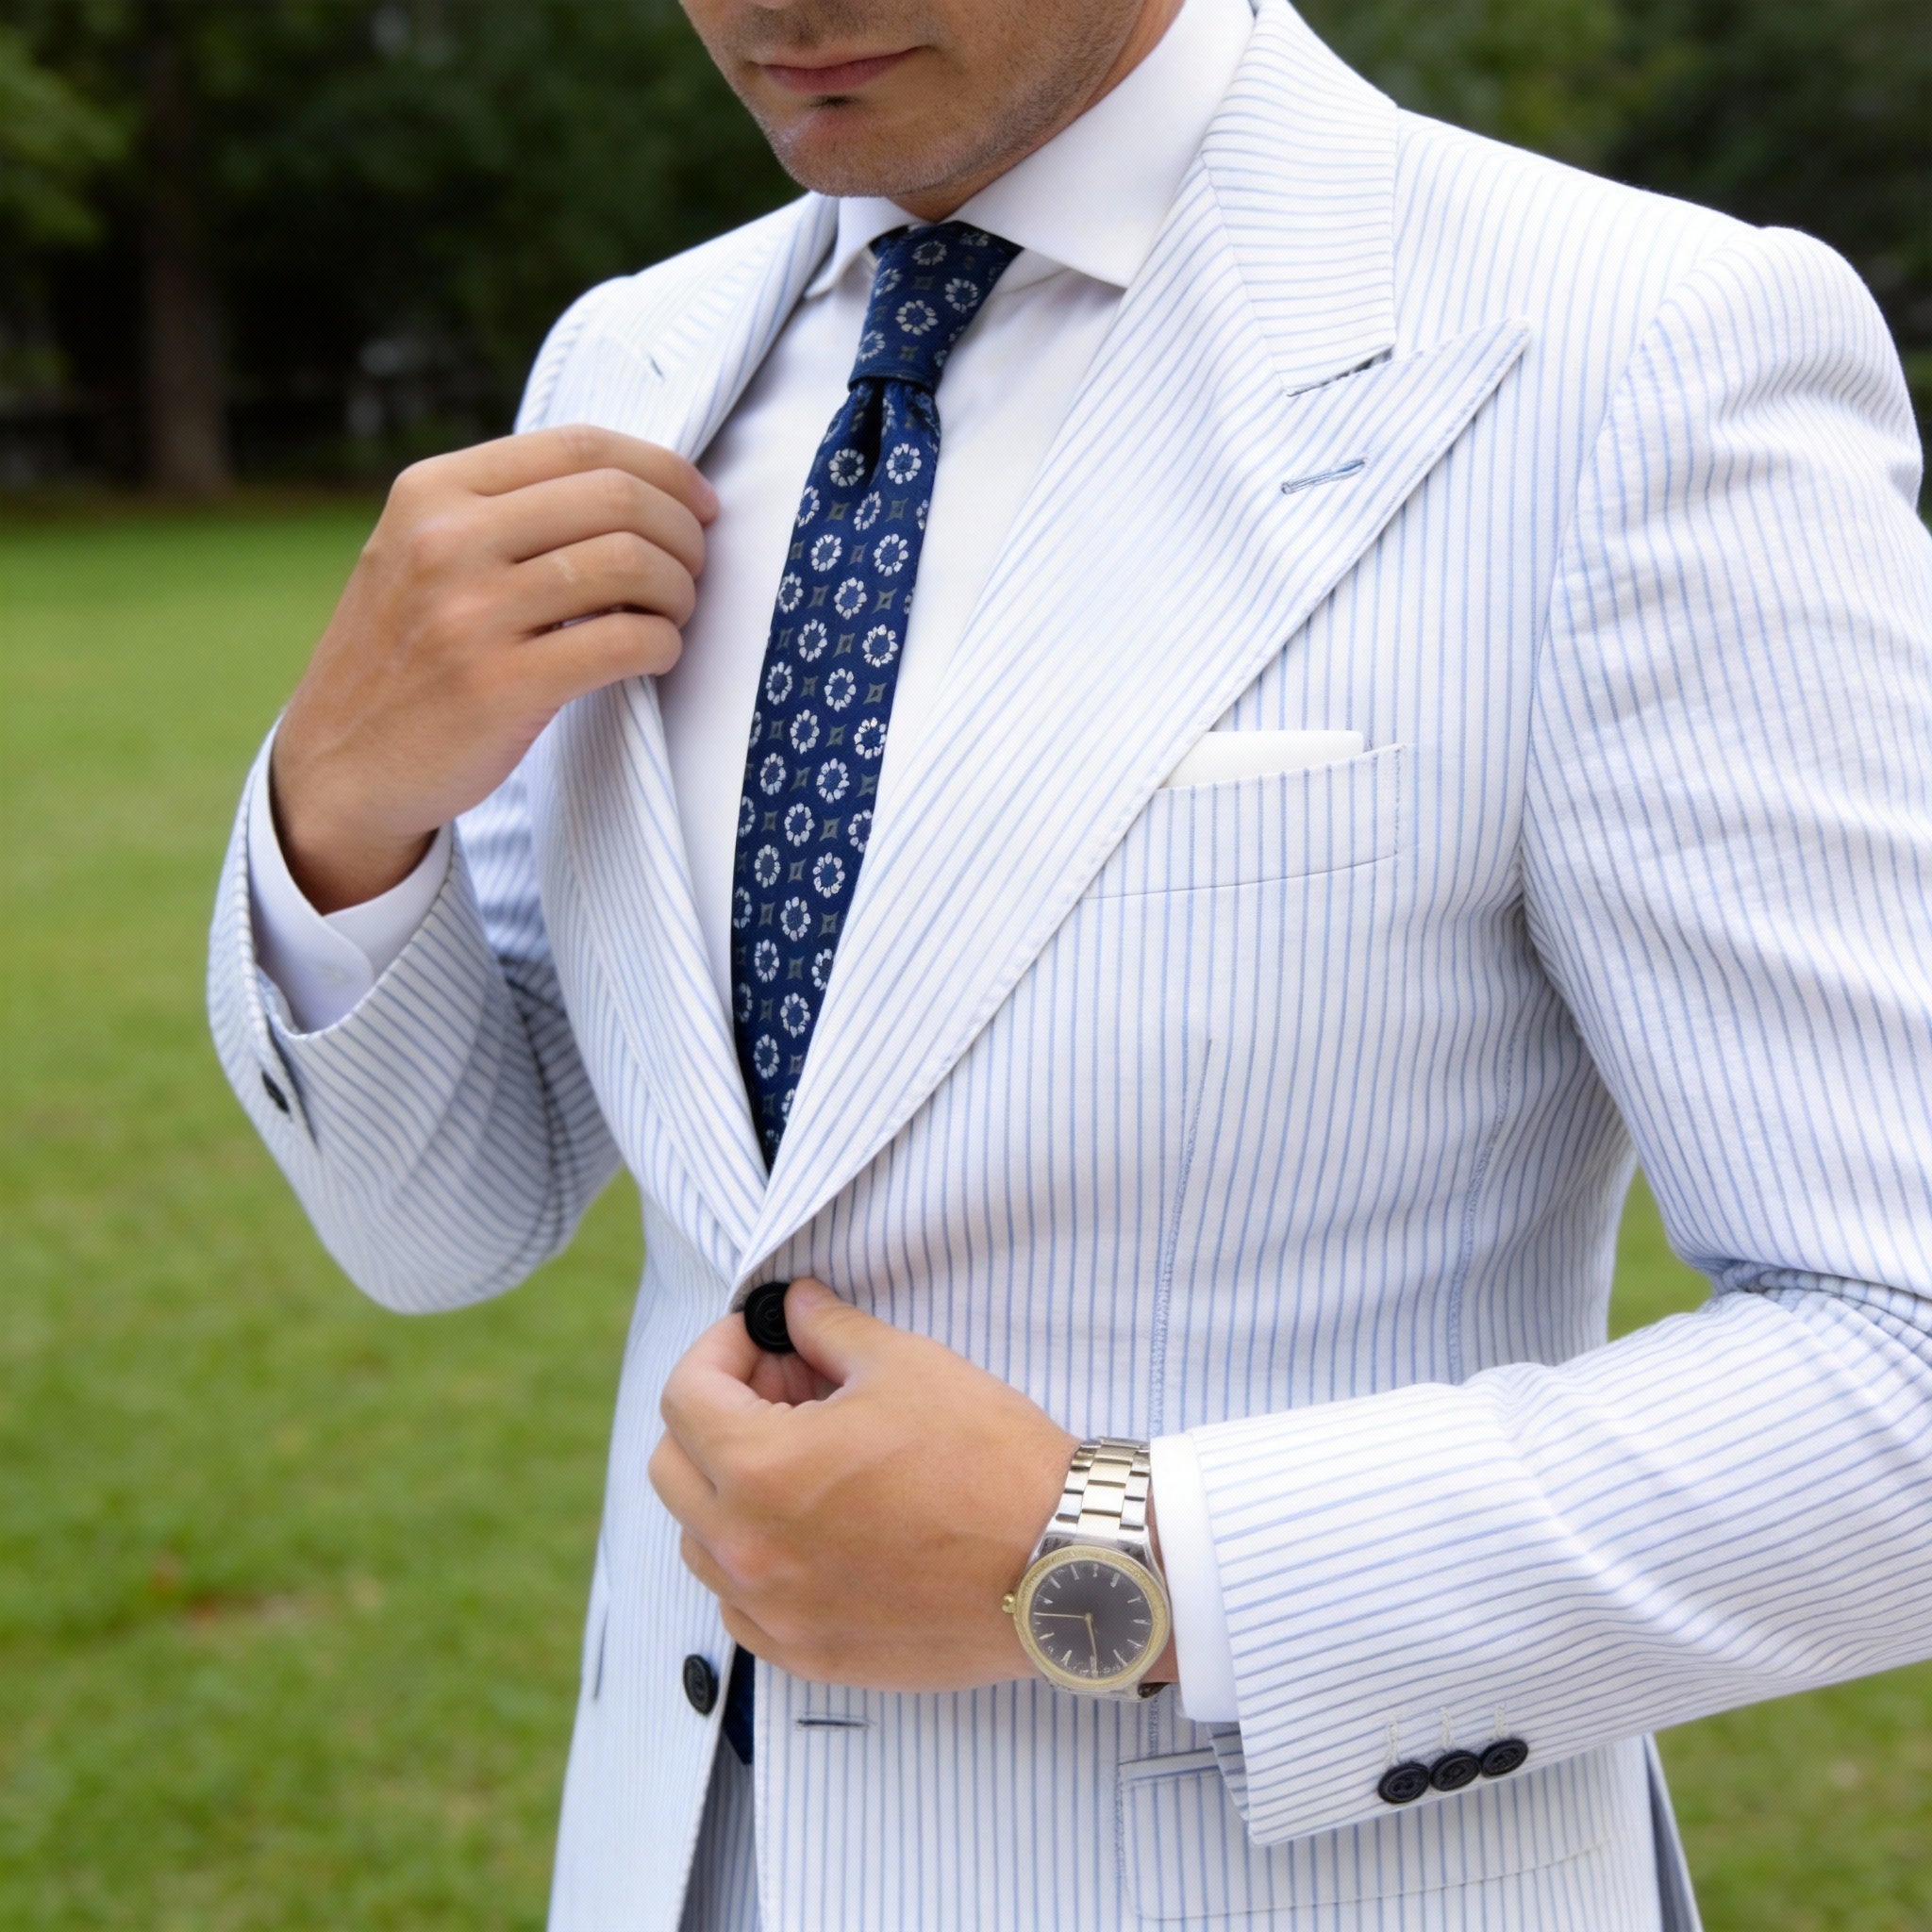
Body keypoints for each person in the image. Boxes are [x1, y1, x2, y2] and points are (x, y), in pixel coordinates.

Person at [207, 0, 1932, 1924]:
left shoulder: (1638, 350)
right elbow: (447, 1214)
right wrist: (341, 807)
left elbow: (1904, 1363)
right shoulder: (633, 358)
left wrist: (1111, 1556)